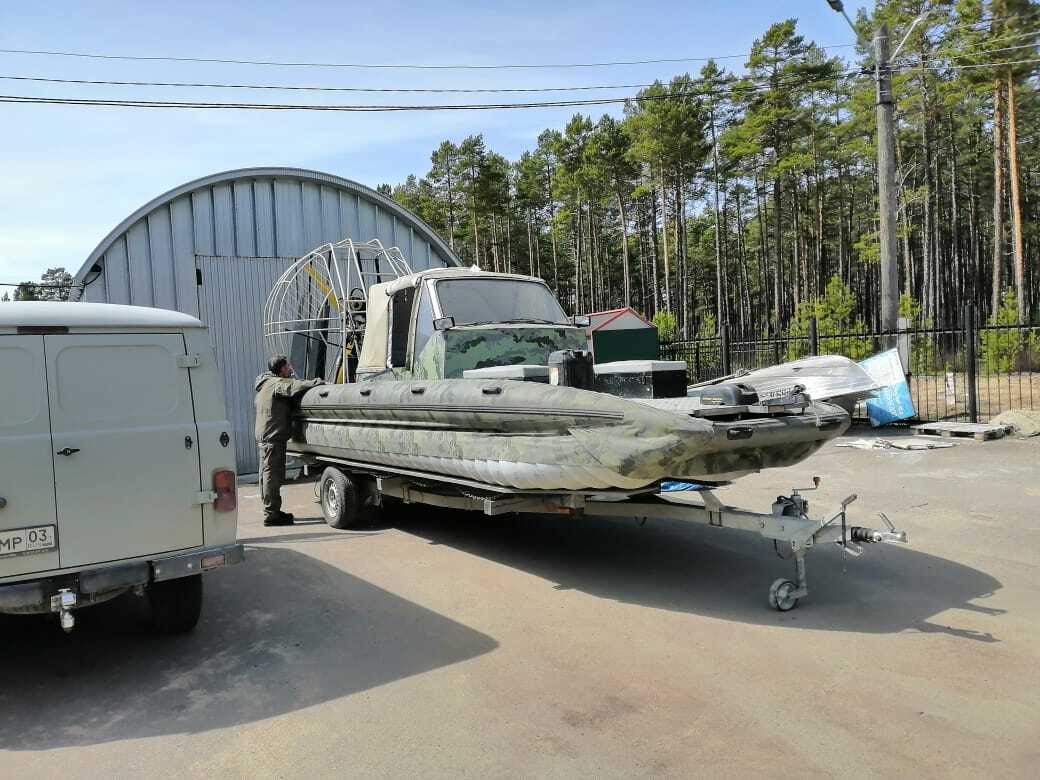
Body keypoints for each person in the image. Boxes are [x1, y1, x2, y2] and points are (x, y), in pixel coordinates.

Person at [254, 355, 325, 526]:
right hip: (273, 438)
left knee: (266, 474)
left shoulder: (265, 383)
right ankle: (272, 515)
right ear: (282, 369)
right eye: (288, 365)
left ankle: (270, 511)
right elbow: (295, 386)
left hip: (266, 436)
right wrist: (318, 382)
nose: (291, 367)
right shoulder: (277, 384)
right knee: (272, 475)